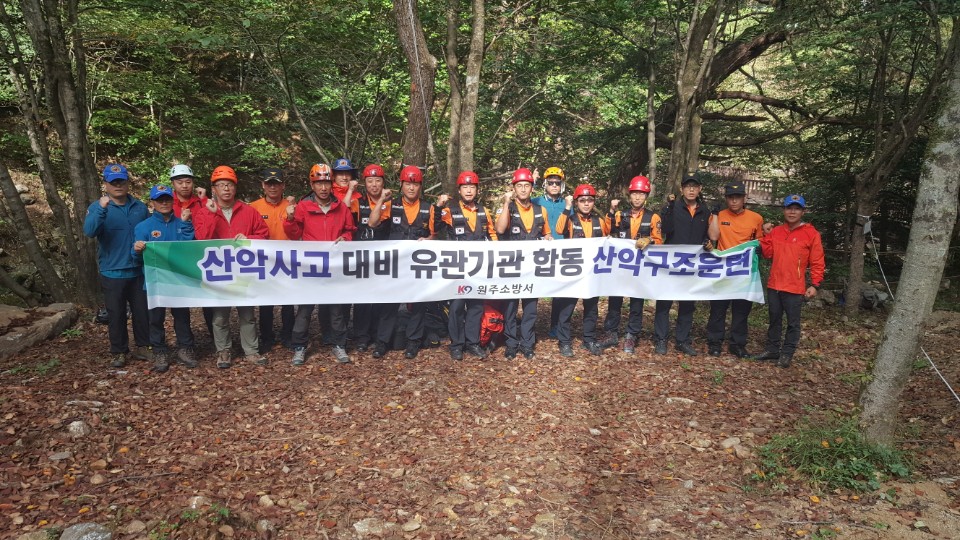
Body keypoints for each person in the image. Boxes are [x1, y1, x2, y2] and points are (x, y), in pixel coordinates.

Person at [194, 165, 270, 368]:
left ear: (235, 188)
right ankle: (223, 351)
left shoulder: (249, 211)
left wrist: (248, 238)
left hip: (243, 271)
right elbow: (201, 239)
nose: (226, 189)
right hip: (219, 271)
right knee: (220, 316)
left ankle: (251, 351)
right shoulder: (203, 212)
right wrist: (212, 215)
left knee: (247, 314)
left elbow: (264, 235)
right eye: (221, 185)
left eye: (229, 185)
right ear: (214, 189)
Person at [284, 163, 357, 365]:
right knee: (305, 310)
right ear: (312, 185)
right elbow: (294, 234)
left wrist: (345, 238)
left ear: (332, 184)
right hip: (310, 266)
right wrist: (289, 218)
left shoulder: (340, 207)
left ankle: (339, 344)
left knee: (336, 309)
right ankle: (299, 347)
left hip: (333, 266)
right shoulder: (303, 206)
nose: (323, 188)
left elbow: (349, 229)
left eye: (326, 183)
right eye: (319, 184)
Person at [83, 164, 152, 368]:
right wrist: (101, 210)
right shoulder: (98, 207)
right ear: (105, 184)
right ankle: (119, 351)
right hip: (112, 270)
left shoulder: (140, 207)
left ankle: (143, 346)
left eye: (121, 181)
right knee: (116, 314)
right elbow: (89, 231)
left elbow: (150, 231)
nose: (118, 185)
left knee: (142, 312)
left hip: (138, 269)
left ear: (127, 183)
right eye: (113, 182)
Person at [367, 165, 438, 359]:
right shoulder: (392, 205)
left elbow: (435, 236)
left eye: (415, 184)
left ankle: (413, 341)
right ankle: (382, 342)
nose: (411, 188)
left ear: (420, 186)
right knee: (390, 303)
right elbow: (372, 223)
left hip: (417, 266)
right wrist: (381, 200)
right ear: (401, 185)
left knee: (418, 303)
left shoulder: (429, 208)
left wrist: (429, 240)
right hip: (395, 264)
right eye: (408, 184)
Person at [753, 195, 825, 368]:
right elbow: (767, 253)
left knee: (793, 323)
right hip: (775, 284)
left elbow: (817, 261)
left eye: (796, 209)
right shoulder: (777, 231)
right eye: (789, 208)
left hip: (795, 287)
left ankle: (787, 353)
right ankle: (772, 350)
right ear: (784, 210)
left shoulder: (811, 234)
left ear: (803, 212)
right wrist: (765, 234)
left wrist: (815, 284)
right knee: (774, 319)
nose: (792, 212)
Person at [653, 172, 719, 356]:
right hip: (671, 263)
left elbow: (709, 236)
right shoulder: (673, 207)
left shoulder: (705, 211)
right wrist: (668, 207)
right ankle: (661, 339)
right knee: (664, 302)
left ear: (700, 189)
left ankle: (682, 340)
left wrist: (707, 243)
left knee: (688, 303)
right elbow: (665, 229)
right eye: (688, 186)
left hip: (692, 264)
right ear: (682, 189)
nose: (691, 190)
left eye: (694, 187)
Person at [132, 185, 196, 372]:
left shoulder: (181, 223)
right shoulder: (143, 227)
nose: (164, 203)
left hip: (178, 280)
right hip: (155, 281)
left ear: (172, 200)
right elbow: (136, 258)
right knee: (155, 318)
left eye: (167, 199)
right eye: (160, 200)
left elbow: (189, 250)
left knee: (182, 316)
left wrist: (186, 224)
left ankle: (185, 348)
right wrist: (137, 250)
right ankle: (159, 350)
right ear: (152, 203)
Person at [437, 171, 498, 361]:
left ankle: (473, 343)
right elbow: (434, 226)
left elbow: (492, 235)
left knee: (476, 306)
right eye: (465, 187)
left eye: (472, 187)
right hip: (457, 267)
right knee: (456, 306)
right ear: (459, 190)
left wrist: (498, 252)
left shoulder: (483, 211)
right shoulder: (450, 211)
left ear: (477, 190)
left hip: (478, 268)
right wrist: (438, 207)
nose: (469, 190)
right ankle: (456, 344)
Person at [599, 175, 663, 353]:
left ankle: (631, 335)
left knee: (636, 302)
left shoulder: (653, 217)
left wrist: (649, 239)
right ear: (629, 195)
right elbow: (606, 231)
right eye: (634, 193)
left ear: (646, 196)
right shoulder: (620, 215)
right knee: (615, 299)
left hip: (640, 268)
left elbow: (659, 240)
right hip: (620, 266)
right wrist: (611, 211)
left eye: (641, 194)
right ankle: (611, 332)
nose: (637, 197)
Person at [495, 168, 554, 360]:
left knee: (530, 308)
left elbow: (546, 233)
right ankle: (511, 343)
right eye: (519, 185)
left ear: (531, 188)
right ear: (514, 188)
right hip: (511, 266)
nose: (522, 189)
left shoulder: (540, 210)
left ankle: (527, 343)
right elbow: (500, 229)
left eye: (526, 185)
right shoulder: (508, 208)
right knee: (510, 307)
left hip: (531, 268)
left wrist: (548, 238)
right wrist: (506, 203)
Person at [705, 182, 765, 358]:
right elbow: (713, 236)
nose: (734, 201)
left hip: (744, 271)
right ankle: (715, 342)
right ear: (726, 199)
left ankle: (737, 344)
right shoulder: (719, 215)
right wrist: (715, 215)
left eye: (737, 197)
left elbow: (760, 241)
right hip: (722, 269)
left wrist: (759, 248)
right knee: (718, 308)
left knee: (741, 309)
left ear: (744, 198)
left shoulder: (756, 218)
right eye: (730, 197)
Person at [553, 184, 611, 357]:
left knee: (591, 307)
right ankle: (564, 341)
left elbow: (607, 238)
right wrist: (567, 207)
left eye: (590, 200)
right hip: (573, 270)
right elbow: (559, 229)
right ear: (577, 202)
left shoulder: (599, 221)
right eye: (582, 200)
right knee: (567, 307)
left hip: (592, 271)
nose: (586, 204)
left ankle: (589, 339)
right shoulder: (570, 219)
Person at [249, 168, 296, 352]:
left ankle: (288, 335)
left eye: (277, 183)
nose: (273, 187)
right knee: (266, 302)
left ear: (283, 185)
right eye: (269, 183)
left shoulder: (291, 205)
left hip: (287, 260)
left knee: (288, 301)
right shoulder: (253, 207)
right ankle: (267, 337)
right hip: (263, 261)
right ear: (263, 185)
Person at [349, 164, 391, 352]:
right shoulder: (357, 202)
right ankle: (361, 337)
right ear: (364, 183)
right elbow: (344, 217)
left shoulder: (391, 204)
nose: (374, 185)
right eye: (370, 181)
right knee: (362, 298)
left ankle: (378, 335)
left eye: (378, 181)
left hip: (383, 258)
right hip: (362, 258)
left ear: (383, 182)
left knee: (381, 297)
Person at [532, 166, 567, 339]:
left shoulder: (566, 204)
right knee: (533, 289)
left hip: (561, 252)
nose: (554, 185)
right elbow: (521, 202)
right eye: (551, 182)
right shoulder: (536, 201)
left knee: (559, 292)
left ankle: (555, 326)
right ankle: (530, 328)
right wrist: (532, 181)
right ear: (545, 184)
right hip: (539, 252)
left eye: (557, 183)